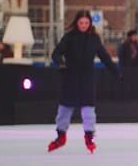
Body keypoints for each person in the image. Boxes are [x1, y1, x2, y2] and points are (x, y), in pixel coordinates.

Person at [47, 10, 121, 154]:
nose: (84, 25)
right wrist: (61, 63)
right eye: (81, 23)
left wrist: (116, 71)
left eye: (86, 23)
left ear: (90, 24)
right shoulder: (69, 37)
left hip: (87, 78)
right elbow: (56, 53)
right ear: (76, 23)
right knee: (65, 108)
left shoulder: (94, 38)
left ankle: (89, 136)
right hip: (71, 77)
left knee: (88, 110)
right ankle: (61, 135)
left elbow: (104, 57)